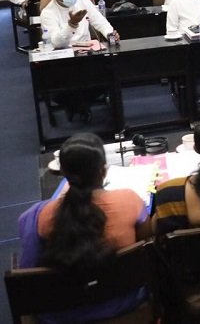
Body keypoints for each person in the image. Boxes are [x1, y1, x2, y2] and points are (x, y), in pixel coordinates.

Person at [17, 133, 149, 323]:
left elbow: (28, 274)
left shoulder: (36, 216)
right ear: (103, 172)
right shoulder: (131, 201)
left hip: (60, 314)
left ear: (63, 173)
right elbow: (147, 246)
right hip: (124, 307)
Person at [40, 0, 119, 48]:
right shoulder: (47, 13)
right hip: (65, 52)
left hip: (88, 50)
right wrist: (72, 24)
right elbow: (56, 43)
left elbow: (100, 22)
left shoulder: (82, 0)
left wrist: (109, 34)